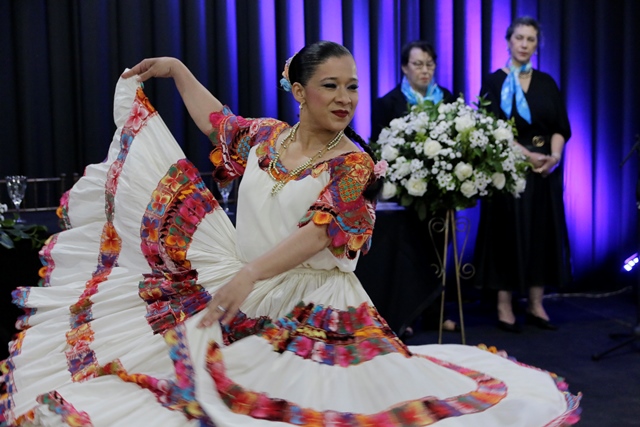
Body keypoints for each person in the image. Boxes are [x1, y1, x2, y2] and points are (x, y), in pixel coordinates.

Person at [0, 41, 580, 426]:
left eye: (352, 86)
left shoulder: (354, 163)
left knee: (304, 407)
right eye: (330, 86)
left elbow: (325, 234)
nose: (346, 99)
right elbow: (217, 119)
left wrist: (252, 270)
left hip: (317, 304)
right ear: (298, 91)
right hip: (246, 288)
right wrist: (176, 72)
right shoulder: (268, 138)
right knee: (176, 385)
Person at [474, 17, 572, 333]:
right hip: (508, 167)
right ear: (508, 40)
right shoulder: (493, 82)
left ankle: (536, 304)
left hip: (544, 169)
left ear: (536, 45)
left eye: (531, 39)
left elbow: (560, 127)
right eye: (519, 38)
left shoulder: (546, 82)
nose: (524, 44)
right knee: (506, 235)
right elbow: (492, 129)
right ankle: (505, 305)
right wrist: (526, 155)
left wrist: (553, 157)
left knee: (542, 234)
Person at [370, 40, 457, 336]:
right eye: (418, 64)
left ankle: (437, 313)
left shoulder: (445, 98)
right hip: (405, 196)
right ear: (405, 68)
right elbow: (379, 148)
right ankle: (405, 316)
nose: (424, 70)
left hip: (441, 194)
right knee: (409, 255)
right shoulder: (387, 103)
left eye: (429, 64)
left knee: (438, 255)